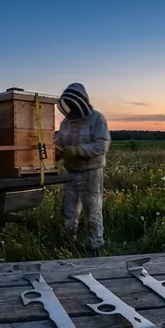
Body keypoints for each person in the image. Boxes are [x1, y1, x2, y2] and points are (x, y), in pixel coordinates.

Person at [54, 82, 110, 256]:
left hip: (91, 172)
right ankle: (69, 243)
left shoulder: (97, 119)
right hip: (70, 172)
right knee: (69, 211)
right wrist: (56, 150)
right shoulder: (65, 123)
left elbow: (102, 145)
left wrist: (78, 151)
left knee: (92, 211)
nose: (71, 108)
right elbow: (59, 141)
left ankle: (96, 246)